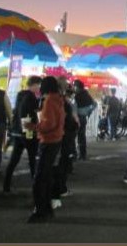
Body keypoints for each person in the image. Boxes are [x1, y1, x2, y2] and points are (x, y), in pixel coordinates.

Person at [26, 76, 65, 223]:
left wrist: (34, 127)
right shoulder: (59, 100)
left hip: (48, 141)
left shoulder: (49, 101)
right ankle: (46, 208)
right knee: (46, 176)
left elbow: (49, 124)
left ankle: (41, 210)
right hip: (56, 140)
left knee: (39, 178)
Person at [3, 75, 41, 193]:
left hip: (17, 132)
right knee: (32, 160)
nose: (39, 88)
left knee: (14, 159)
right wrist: (30, 133)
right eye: (38, 85)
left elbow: (17, 113)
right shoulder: (30, 98)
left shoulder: (20, 95)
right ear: (34, 85)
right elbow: (27, 116)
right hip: (26, 132)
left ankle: (6, 186)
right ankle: (36, 188)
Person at [51, 77, 79, 209]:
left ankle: (54, 194)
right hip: (62, 138)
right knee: (60, 167)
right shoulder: (62, 102)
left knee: (52, 167)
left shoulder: (47, 100)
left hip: (52, 138)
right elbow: (69, 122)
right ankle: (56, 195)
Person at [73, 79, 96, 160]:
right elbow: (94, 104)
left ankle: (74, 154)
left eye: (74, 86)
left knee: (73, 137)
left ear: (77, 87)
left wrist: (79, 112)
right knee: (82, 136)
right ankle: (83, 154)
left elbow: (74, 108)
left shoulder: (76, 96)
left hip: (76, 117)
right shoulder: (87, 94)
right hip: (83, 117)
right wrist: (88, 112)